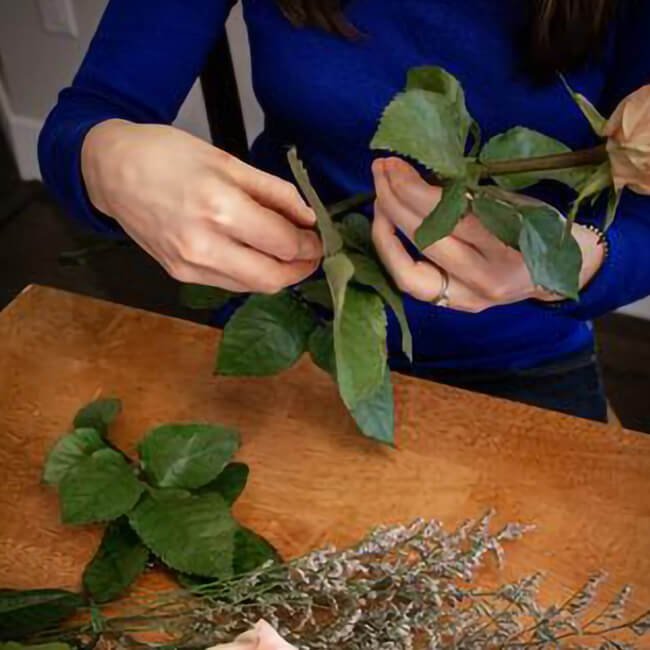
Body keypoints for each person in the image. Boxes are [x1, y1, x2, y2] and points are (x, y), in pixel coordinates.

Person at [39, 0, 650, 422]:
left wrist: (579, 259)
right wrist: (107, 159)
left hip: (522, 356)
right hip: (285, 330)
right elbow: (88, 114)